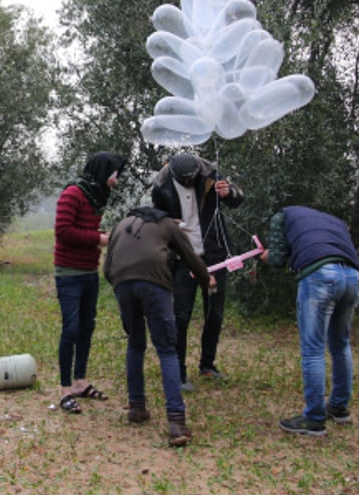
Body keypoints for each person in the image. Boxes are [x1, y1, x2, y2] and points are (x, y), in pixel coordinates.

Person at [103, 204, 215, 446]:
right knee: (167, 350)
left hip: (122, 284)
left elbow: (107, 269)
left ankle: (137, 407)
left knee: (135, 343)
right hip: (154, 284)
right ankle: (176, 423)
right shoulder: (167, 225)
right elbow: (190, 256)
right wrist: (206, 280)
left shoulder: (121, 225)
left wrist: (122, 286)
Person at [260, 206, 359, 437]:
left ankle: (314, 419)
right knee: (341, 344)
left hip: (320, 275)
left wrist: (266, 256)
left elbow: (277, 258)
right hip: (352, 275)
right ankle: (339, 407)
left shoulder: (282, 215)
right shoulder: (335, 219)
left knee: (313, 350)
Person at [149, 152, 245, 391]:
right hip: (183, 258)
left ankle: (208, 365)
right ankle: (179, 373)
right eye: (185, 180)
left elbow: (236, 199)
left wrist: (228, 192)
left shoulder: (209, 173)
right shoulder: (161, 185)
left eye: (193, 179)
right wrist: (169, 223)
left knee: (215, 313)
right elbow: (157, 218)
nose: (190, 183)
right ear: (174, 174)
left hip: (214, 254)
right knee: (180, 316)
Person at [53, 151, 127, 413]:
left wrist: (100, 237)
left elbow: (84, 230)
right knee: (71, 328)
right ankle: (64, 390)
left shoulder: (96, 197)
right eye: (113, 175)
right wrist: (97, 238)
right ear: (101, 172)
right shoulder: (73, 193)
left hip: (88, 273)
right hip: (69, 275)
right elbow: (62, 231)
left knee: (87, 327)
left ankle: (79, 383)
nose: (114, 181)